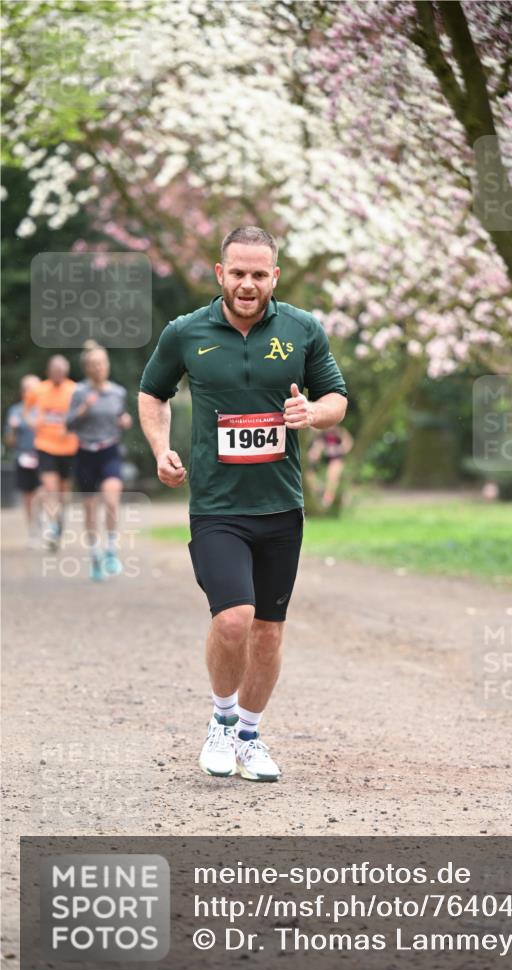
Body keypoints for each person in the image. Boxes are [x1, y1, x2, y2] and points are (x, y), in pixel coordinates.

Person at [138, 226, 348, 782]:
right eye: (239, 273)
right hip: (216, 506)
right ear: (220, 274)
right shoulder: (186, 333)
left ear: (274, 276)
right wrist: (162, 450)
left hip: (281, 506)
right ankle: (222, 721)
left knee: (268, 631)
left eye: (260, 274)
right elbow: (152, 392)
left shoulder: (303, 330)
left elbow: (336, 398)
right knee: (233, 619)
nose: (248, 284)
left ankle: (250, 736)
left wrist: (313, 415)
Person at [66, 344, 133, 582]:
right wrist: (83, 410)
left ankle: (111, 549)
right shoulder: (79, 392)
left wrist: (125, 420)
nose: (99, 367)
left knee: (112, 501)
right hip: (86, 453)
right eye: (94, 364)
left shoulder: (117, 392)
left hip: (110, 450)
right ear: (86, 368)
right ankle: (95, 554)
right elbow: (68, 424)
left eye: (102, 363)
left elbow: (120, 416)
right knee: (90, 508)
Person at [25, 355, 78, 550]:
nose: (59, 375)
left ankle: (59, 522)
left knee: (64, 493)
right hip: (45, 446)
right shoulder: (38, 390)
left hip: (69, 448)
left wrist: (71, 427)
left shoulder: (74, 390)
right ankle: (53, 526)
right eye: (56, 372)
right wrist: (33, 423)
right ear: (49, 372)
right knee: (50, 489)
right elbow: (26, 410)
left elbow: (81, 415)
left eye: (62, 372)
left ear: (66, 372)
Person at [3, 374, 42, 546]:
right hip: (23, 456)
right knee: (27, 496)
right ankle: (33, 530)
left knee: (44, 491)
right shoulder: (16, 411)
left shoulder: (44, 409)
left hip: (44, 454)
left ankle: (45, 519)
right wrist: (12, 429)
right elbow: (9, 441)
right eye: (27, 388)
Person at [307, 426, 354, 509]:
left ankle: (328, 498)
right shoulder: (322, 434)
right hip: (325, 460)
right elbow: (317, 448)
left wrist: (337, 449)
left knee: (333, 473)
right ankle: (319, 495)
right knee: (310, 475)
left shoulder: (340, 432)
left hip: (337, 459)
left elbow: (348, 443)